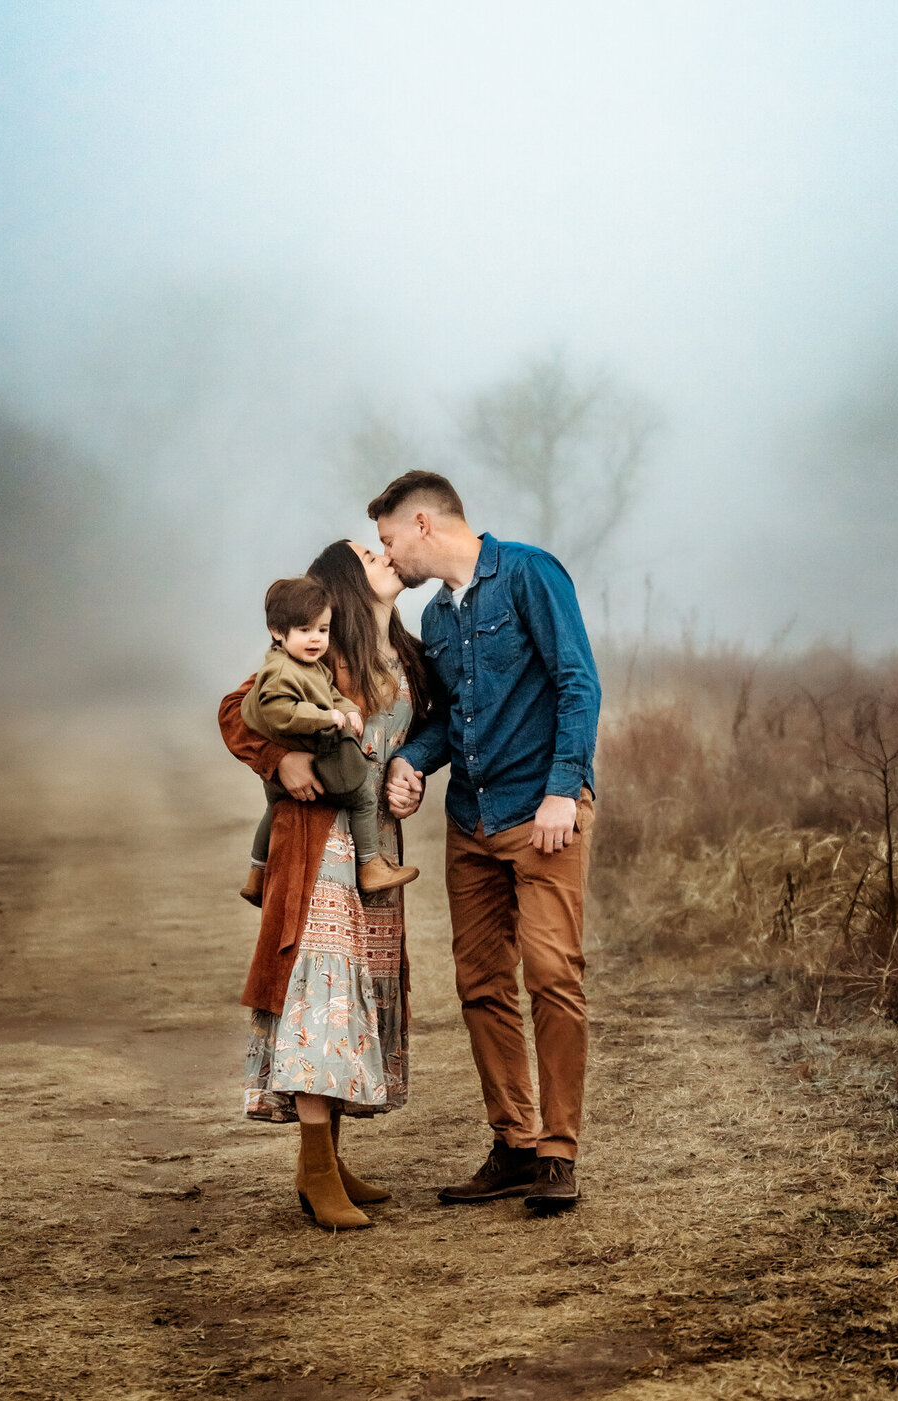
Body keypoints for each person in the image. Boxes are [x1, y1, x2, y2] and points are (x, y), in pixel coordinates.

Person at [373, 471, 600, 1213]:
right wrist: (411, 759)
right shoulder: (437, 619)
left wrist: (564, 787)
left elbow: (578, 682)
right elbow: (447, 720)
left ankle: (558, 1155)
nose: (388, 555)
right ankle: (515, 1143)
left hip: (544, 816)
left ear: (425, 523)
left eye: (388, 539)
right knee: (479, 984)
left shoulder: (530, 573)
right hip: (471, 822)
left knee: (551, 973)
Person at [218, 539, 431, 1231]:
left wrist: (413, 770)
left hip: (375, 844)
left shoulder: (406, 652)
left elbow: (422, 738)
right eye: (370, 552)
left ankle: (329, 1160)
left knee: (358, 992)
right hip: (321, 845)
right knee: (323, 993)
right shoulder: (319, 653)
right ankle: (313, 1168)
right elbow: (236, 708)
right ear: (344, 577)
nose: (387, 555)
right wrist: (279, 759)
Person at [240, 575, 417, 905]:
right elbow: (279, 712)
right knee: (362, 797)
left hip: (301, 761)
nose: (315, 639)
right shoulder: (280, 670)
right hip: (302, 758)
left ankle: (257, 873)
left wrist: (348, 710)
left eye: (322, 630)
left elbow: (332, 695)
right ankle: (370, 865)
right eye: (305, 630)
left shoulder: (311, 666)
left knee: (273, 808)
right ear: (278, 632)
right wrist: (326, 718)